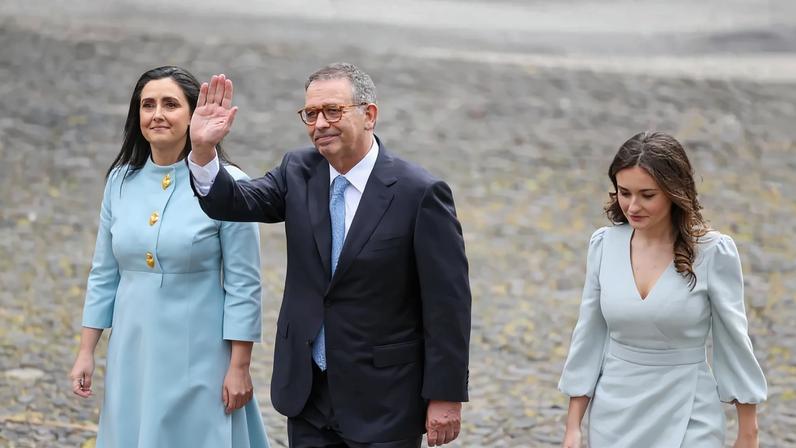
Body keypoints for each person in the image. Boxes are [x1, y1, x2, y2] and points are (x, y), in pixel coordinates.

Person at [187, 62, 471, 448]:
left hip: (384, 398)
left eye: (333, 111)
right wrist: (204, 151)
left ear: (369, 115)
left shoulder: (419, 193)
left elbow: (448, 305)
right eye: (311, 114)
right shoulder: (298, 170)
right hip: (308, 393)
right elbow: (234, 202)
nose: (320, 123)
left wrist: (446, 395)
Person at [69, 66, 270, 448]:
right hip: (133, 349)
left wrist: (239, 367)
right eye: (147, 105)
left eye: (170, 104)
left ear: (194, 114)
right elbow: (103, 272)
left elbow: (245, 283)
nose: (157, 114)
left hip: (200, 350)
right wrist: (86, 351)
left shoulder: (230, 184)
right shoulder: (120, 181)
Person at [558, 131, 767, 448]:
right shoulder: (604, 245)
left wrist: (747, 433)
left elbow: (733, 340)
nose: (632, 206)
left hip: (689, 410)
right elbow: (588, 335)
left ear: (674, 192)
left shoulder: (713, 252)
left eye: (647, 195)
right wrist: (573, 426)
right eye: (624, 193)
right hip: (615, 415)